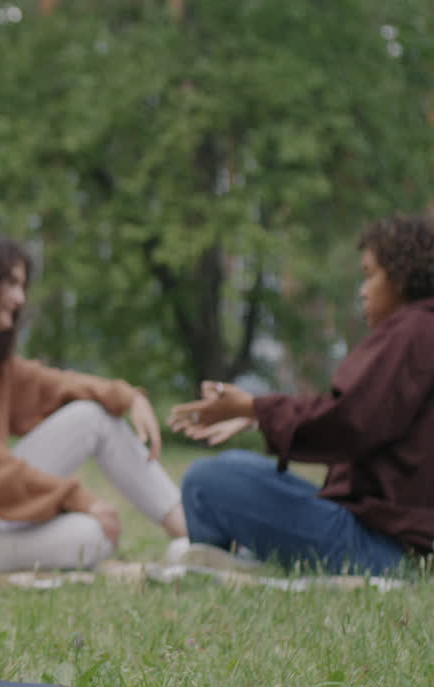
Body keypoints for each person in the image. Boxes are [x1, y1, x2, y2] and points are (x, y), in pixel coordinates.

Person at [168, 214, 434, 575]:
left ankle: (220, 566)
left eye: (370, 274)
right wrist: (255, 414)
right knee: (233, 466)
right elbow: (358, 417)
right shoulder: (419, 332)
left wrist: (256, 407)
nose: (362, 289)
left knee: (204, 482)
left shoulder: (416, 331)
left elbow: (348, 421)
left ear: (403, 276)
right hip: (390, 541)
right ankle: (232, 559)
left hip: (387, 551)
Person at [0, 228, 186, 572]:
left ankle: (188, 533)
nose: (20, 298)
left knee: (90, 417)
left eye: (22, 286)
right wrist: (77, 499)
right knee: (92, 534)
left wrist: (130, 398)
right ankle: (190, 535)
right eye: (10, 284)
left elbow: (58, 385)